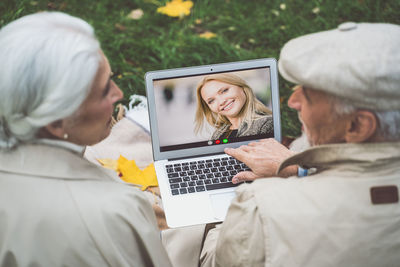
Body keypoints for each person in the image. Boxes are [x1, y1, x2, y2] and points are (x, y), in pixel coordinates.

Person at [198, 22, 400, 266]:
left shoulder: (261, 207)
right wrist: (299, 170)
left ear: (357, 126)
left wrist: (223, 220)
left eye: (309, 96)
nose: (293, 101)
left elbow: (214, 260)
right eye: (210, 100)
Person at [0, 12, 172, 266]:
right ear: (56, 121)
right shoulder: (114, 210)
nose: (120, 93)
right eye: (104, 91)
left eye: (112, 78)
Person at [194, 73, 273, 140]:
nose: (221, 102)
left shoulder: (267, 124)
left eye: (224, 91)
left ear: (241, 87)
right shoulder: (218, 134)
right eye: (211, 101)